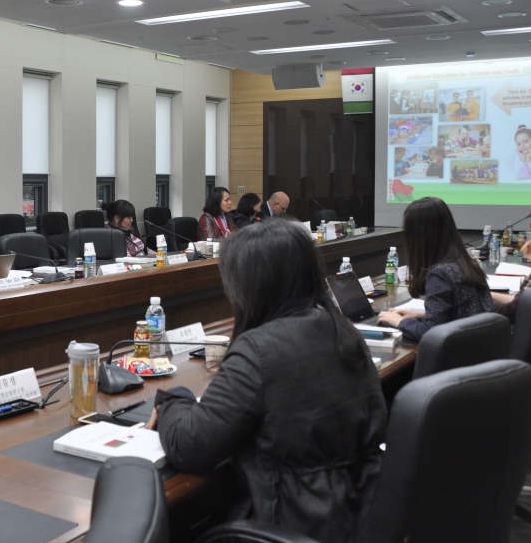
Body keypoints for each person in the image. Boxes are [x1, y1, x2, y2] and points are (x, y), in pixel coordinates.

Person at [145, 219, 386, 540]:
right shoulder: (342, 330)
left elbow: (191, 447)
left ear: (250, 283)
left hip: (292, 522)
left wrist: (173, 400)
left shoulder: (258, 349)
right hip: (360, 513)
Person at [377, 198, 492, 342]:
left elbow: (429, 333)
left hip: (457, 352)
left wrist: (399, 321)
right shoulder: (466, 263)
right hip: (477, 347)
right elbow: (462, 314)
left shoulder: (440, 273)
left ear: (417, 236)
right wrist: (422, 315)